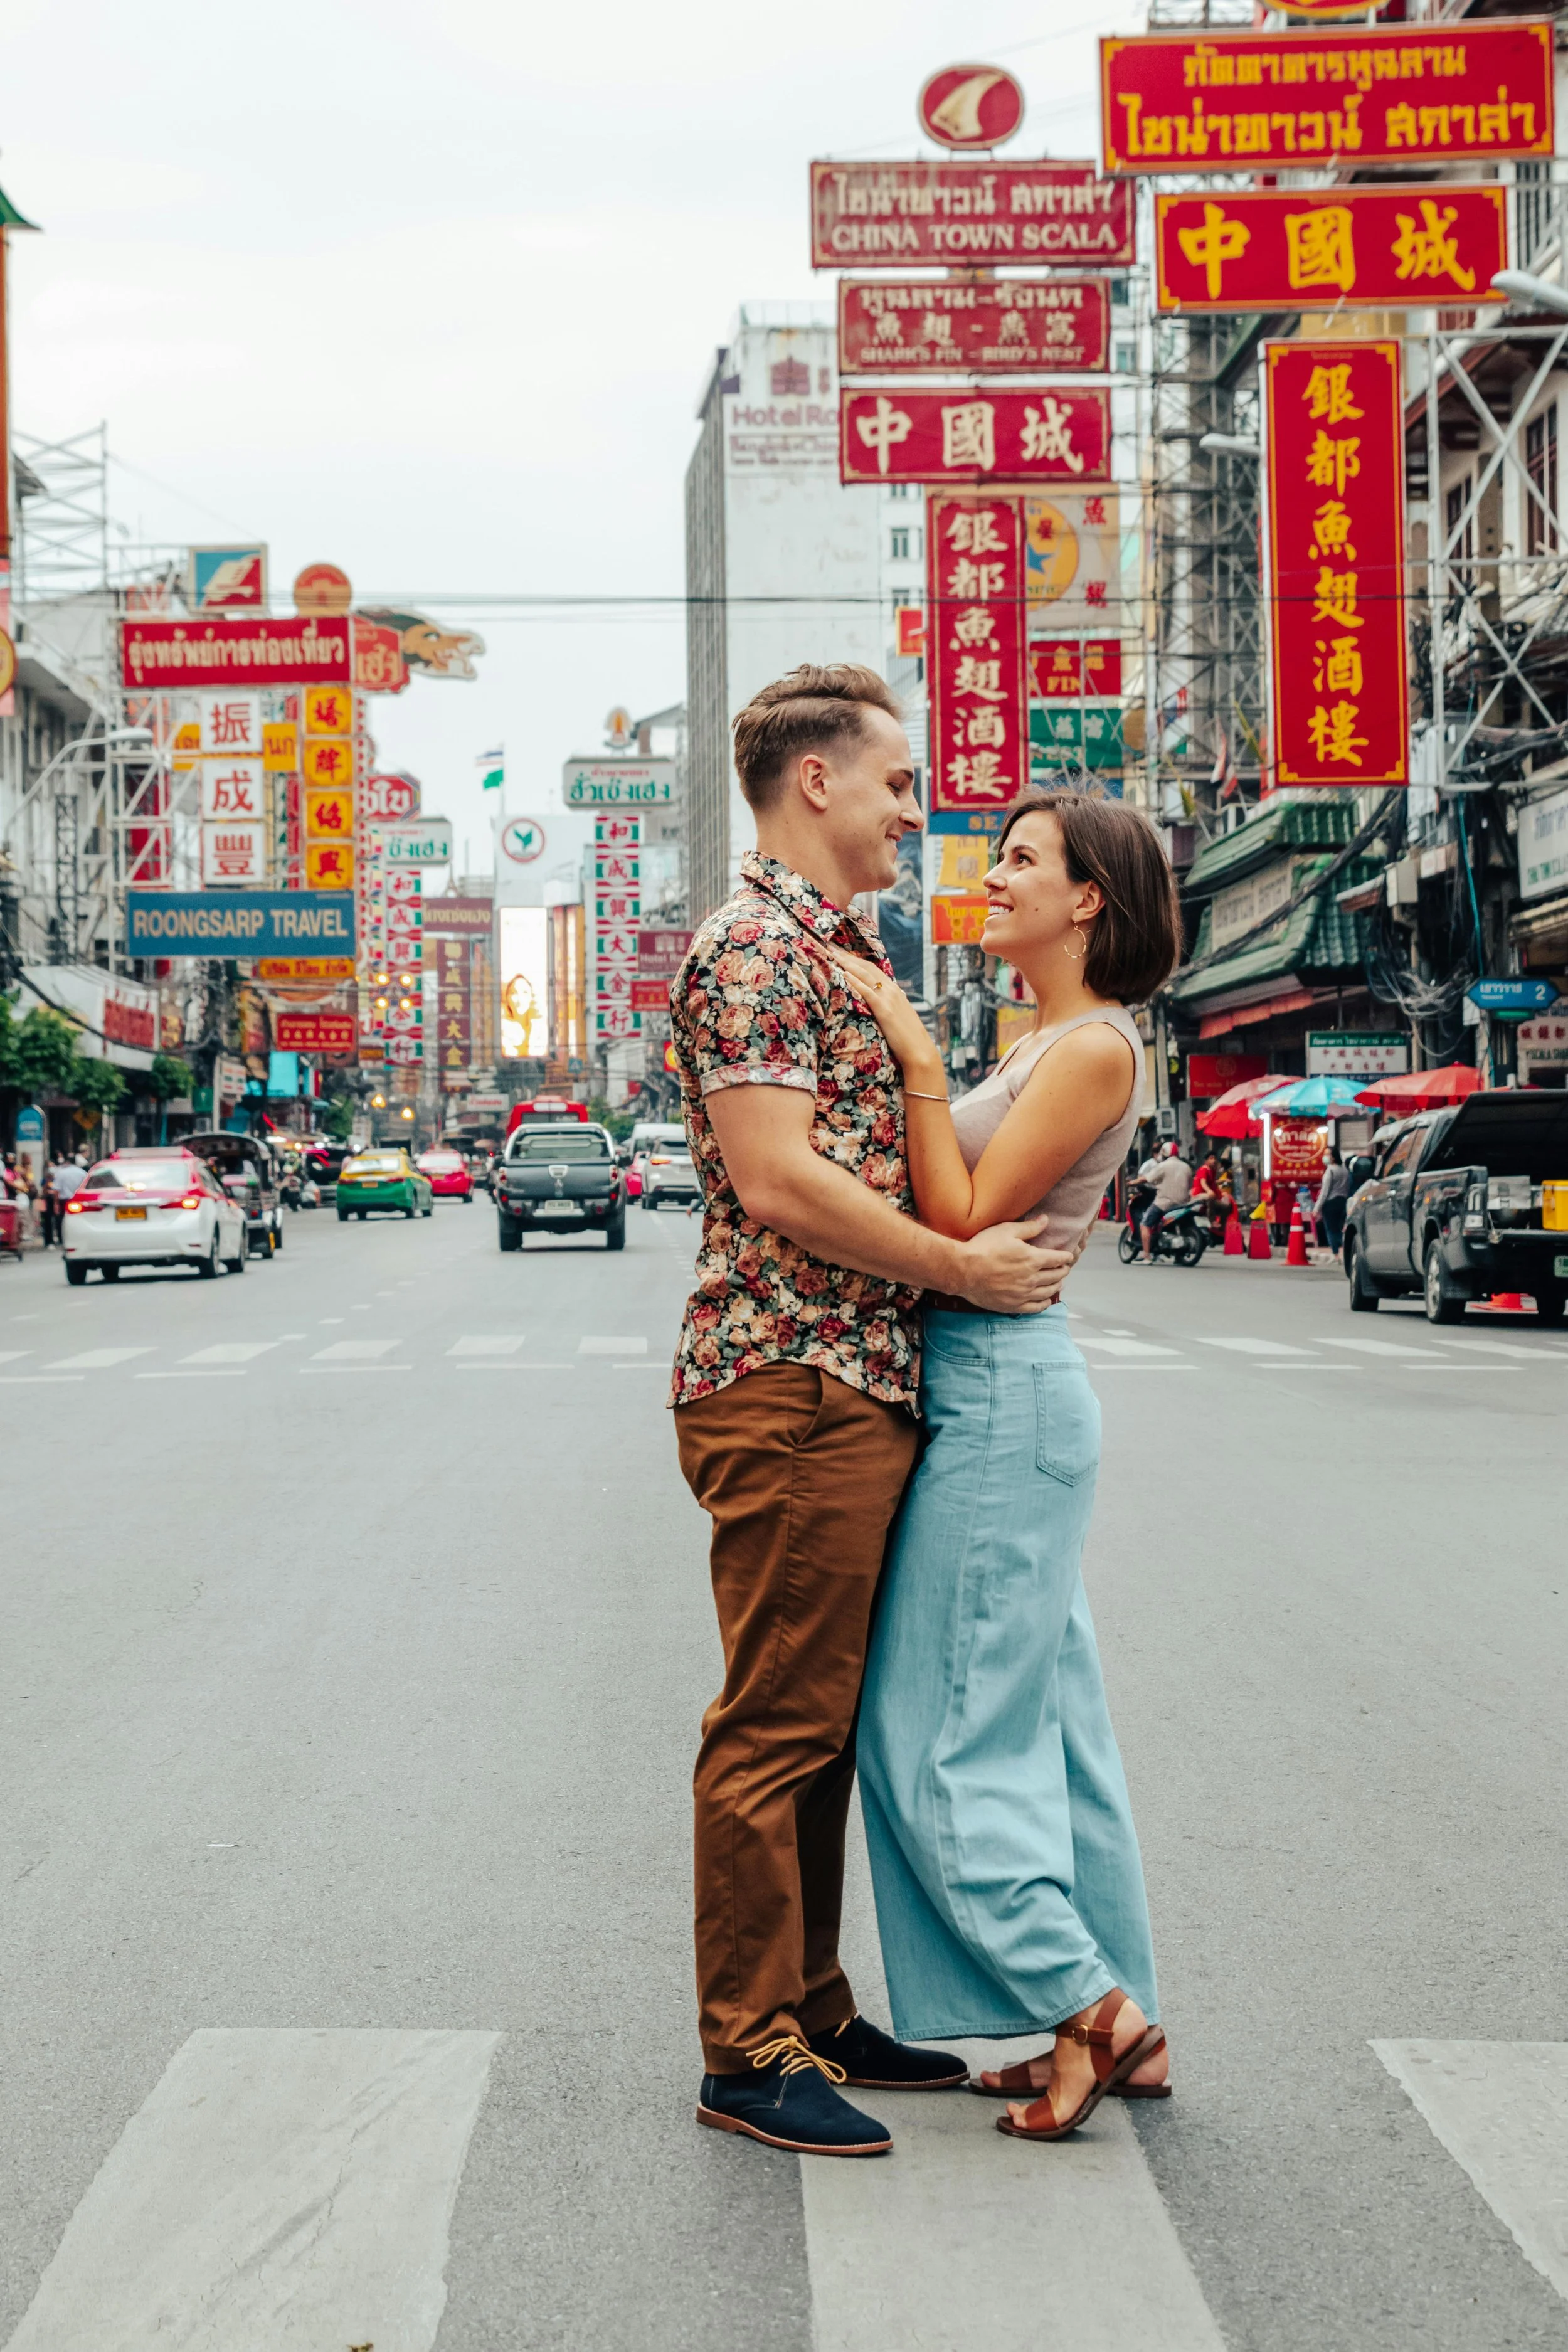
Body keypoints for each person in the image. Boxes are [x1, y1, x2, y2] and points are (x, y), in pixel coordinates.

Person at [668, 665, 1078, 2161]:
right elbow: (778, 1178)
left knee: (823, 1720)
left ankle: (815, 2003)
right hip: (791, 1374)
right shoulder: (756, 948)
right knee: (774, 1719)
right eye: (898, 782)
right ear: (818, 782)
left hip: (850, 1373)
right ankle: (745, 2043)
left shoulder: (843, 951)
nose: (919, 808)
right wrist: (957, 1261)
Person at [837, 787, 1183, 2143]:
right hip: (991, 1396)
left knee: (931, 1732)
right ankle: (1117, 2020)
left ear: (1087, 899)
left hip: (998, 1398)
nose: (991, 878)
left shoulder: (1090, 1048)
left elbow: (963, 1216)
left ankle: (1083, 2005)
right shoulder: (1039, 1042)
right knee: (1047, 1730)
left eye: (1020, 861)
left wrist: (914, 1056)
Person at [1140, 1140, 1192, 1262]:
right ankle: (1179, 1257)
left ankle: (1146, 1255)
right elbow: (1190, 1184)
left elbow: (1147, 1178)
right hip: (1183, 1203)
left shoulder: (1162, 1166)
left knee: (1145, 1224)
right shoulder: (1186, 1167)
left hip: (1164, 1203)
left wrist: (1133, 1182)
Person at [1315, 1146, 1352, 1255]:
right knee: (1341, 1228)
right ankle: (1347, 1249)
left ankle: (1335, 1254)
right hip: (1343, 1202)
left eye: (1328, 1155)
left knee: (1331, 1230)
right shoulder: (1345, 1170)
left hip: (1330, 1204)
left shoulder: (1330, 1171)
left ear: (1333, 1157)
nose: (1325, 1157)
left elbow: (1325, 1192)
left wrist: (1317, 1208)